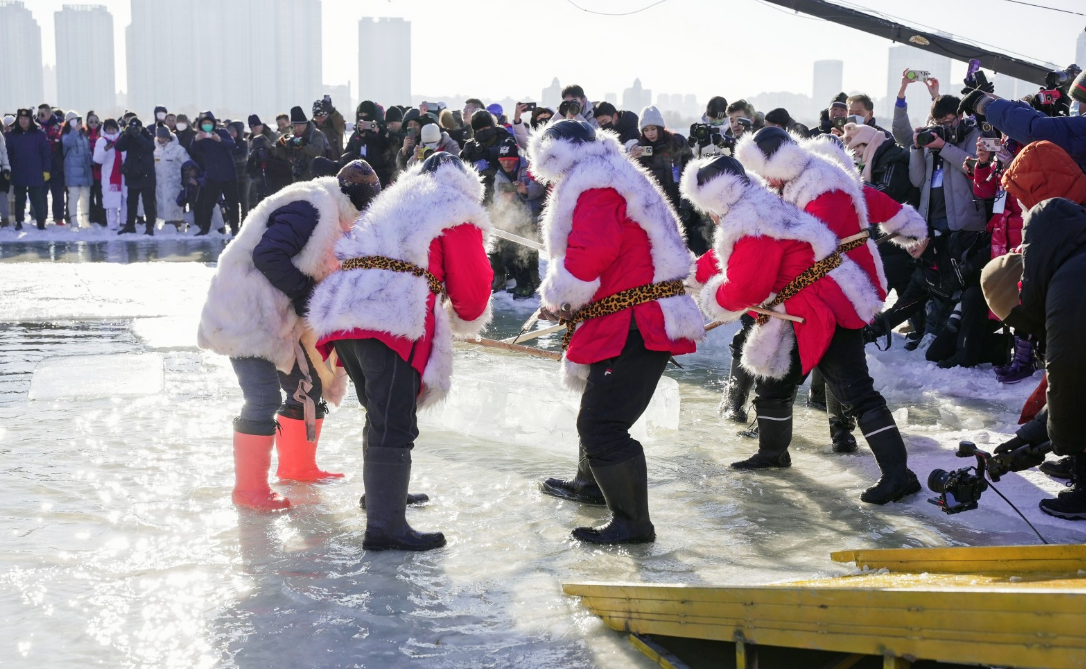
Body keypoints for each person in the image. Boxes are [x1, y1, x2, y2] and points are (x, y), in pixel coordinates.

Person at [306, 153, 494, 551]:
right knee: (394, 422)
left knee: (380, 411)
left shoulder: (394, 199)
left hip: (346, 313)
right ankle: (385, 527)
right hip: (391, 316)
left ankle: (381, 500)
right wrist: (466, 317)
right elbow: (473, 284)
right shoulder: (454, 207)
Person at [530, 120, 704, 544]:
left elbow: (591, 252)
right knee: (596, 408)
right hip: (627, 311)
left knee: (602, 425)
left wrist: (559, 295)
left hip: (634, 319)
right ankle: (591, 485)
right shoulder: (612, 174)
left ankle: (633, 523)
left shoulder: (597, 184)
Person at [734, 126, 920, 504]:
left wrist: (755, 281)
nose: (764, 180)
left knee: (853, 388)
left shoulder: (824, 184)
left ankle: (900, 476)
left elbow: (802, 245)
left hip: (835, 297)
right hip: (799, 299)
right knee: (777, 377)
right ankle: (773, 452)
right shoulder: (790, 182)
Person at [197, 160, 382, 511]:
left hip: (283, 315)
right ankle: (248, 489)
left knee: (309, 387)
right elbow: (268, 254)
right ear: (353, 200)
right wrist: (305, 294)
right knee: (262, 398)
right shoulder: (310, 207)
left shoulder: (336, 215)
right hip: (245, 313)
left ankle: (298, 468)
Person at [989, 199, 1086, 520]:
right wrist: (1030, 435)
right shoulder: (1073, 263)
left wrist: (1060, 444)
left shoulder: (1071, 283)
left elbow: (1068, 377)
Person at [491, 138, 546, 298]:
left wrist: (525, 189)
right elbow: (496, 200)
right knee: (511, 255)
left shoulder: (529, 166)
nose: (506, 163)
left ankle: (528, 286)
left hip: (531, 217)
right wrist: (505, 200)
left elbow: (540, 187)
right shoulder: (500, 175)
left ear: (516, 158)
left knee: (528, 254)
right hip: (512, 220)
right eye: (503, 160)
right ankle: (523, 285)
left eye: (510, 159)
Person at [189, 111, 240, 235]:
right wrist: (195, 140)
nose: (207, 125)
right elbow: (193, 150)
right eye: (204, 123)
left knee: (232, 204)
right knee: (208, 204)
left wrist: (219, 140)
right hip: (212, 176)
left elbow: (232, 145)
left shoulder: (222, 132)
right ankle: (205, 229)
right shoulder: (200, 136)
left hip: (228, 175)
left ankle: (234, 228)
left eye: (209, 123)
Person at [7, 109, 52, 230]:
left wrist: (46, 170)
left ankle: (41, 222)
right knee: (19, 199)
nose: (23, 121)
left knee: (37, 198)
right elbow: (8, 154)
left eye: (26, 119)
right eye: (21, 119)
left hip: (35, 172)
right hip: (18, 171)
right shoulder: (12, 135)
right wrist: (8, 169)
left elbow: (46, 153)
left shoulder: (39, 135)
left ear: (30, 120)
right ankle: (19, 222)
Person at [115, 117, 158, 236]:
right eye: (133, 127)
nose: (135, 130)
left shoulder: (147, 135)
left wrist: (138, 135)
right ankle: (130, 225)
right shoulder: (128, 137)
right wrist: (125, 135)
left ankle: (150, 227)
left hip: (146, 174)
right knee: (131, 202)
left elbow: (149, 147)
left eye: (137, 127)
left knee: (148, 203)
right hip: (133, 174)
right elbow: (118, 147)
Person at [460, 109, 515, 201]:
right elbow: (461, 166)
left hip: (505, 187)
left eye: (485, 128)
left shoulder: (504, 136)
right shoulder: (472, 145)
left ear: (492, 126)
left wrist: (489, 153)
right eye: (479, 130)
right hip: (482, 190)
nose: (482, 132)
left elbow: (511, 149)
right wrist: (463, 154)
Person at [342, 101, 395, 186]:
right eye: (361, 114)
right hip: (358, 181)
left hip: (380, 179)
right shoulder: (355, 136)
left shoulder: (381, 133)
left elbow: (386, 155)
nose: (363, 117)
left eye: (366, 114)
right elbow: (345, 155)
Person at [279, 106, 332, 183]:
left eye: (299, 125)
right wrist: (280, 146)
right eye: (294, 126)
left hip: (314, 177)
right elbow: (285, 156)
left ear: (305, 124)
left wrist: (300, 145)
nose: (296, 128)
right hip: (298, 177)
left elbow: (317, 151)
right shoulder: (292, 136)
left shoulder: (316, 134)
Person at [61, 111, 94, 229]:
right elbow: (67, 143)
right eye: (73, 120)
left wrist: (91, 161)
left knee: (86, 195)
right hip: (72, 170)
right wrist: (74, 130)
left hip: (85, 170)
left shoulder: (83, 135)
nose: (76, 123)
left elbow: (87, 150)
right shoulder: (66, 134)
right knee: (73, 195)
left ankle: (85, 219)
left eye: (78, 120)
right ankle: (73, 220)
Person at [154, 125, 190, 230]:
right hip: (160, 183)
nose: (162, 139)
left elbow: (187, 163)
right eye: (160, 137)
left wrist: (186, 178)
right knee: (163, 204)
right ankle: (167, 223)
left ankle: (177, 223)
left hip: (174, 183)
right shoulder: (155, 149)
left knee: (175, 206)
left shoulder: (178, 149)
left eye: (164, 137)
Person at [92, 118, 126, 231]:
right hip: (109, 177)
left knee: (125, 199)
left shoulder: (122, 139)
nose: (111, 131)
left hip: (123, 175)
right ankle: (112, 225)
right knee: (111, 202)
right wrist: (105, 150)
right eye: (108, 129)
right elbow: (97, 159)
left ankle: (124, 222)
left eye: (113, 128)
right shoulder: (101, 141)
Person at [38, 105, 66, 226]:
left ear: (49, 114)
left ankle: (59, 218)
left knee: (58, 193)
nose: (40, 117)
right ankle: (42, 217)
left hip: (56, 164)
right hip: (41, 164)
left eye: (42, 114)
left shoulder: (59, 126)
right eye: (38, 114)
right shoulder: (36, 127)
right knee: (41, 193)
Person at [226, 120, 251, 219]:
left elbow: (243, 156)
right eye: (230, 130)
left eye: (233, 130)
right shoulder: (228, 143)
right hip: (232, 176)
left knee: (244, 200)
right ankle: (233, 220)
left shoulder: (244, 143)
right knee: (232, 201)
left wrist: (230, 158)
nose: (231, 133)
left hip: (244, 176)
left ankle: (245, 220)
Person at [85, 111, 105, 226]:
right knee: (89, 195)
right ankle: (92, 216)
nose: (93, 124)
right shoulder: (84, 134)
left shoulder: (102, 134)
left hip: (100, 169)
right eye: (91, 121)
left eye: (96, 122)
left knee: (100, 194)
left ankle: (101, 216)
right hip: (89, 169)